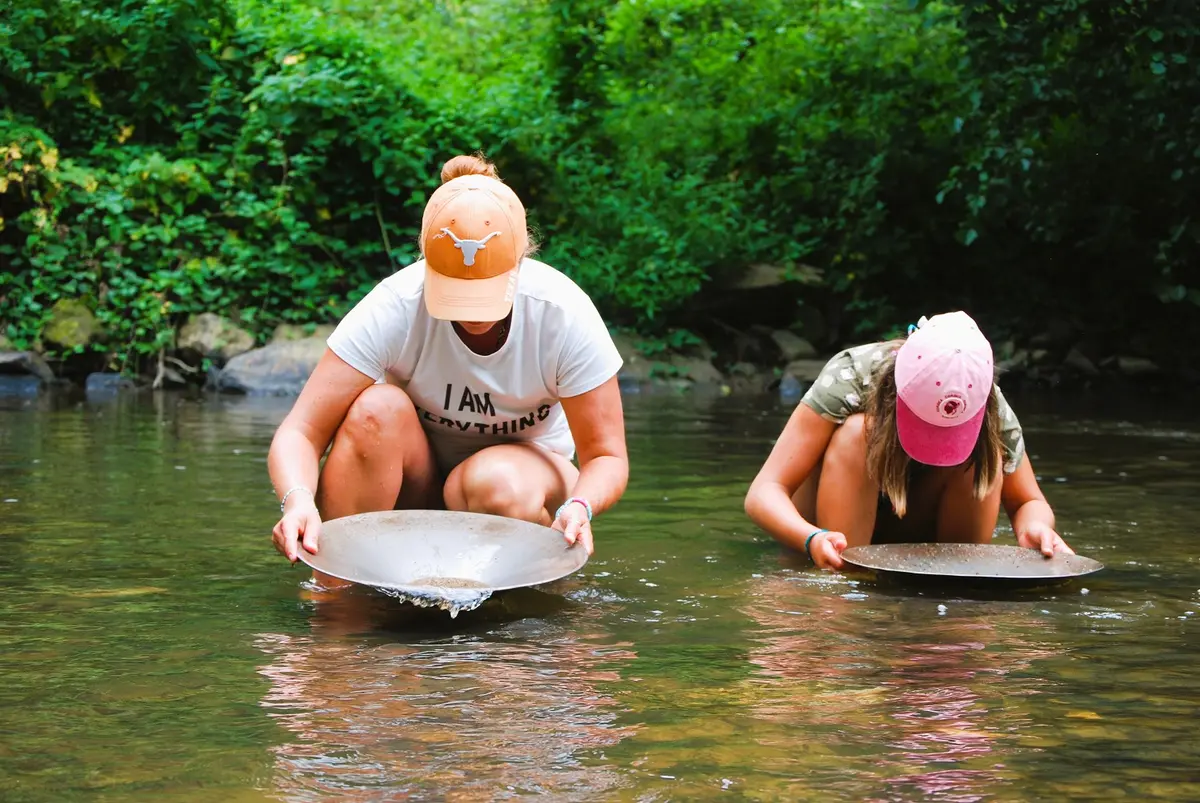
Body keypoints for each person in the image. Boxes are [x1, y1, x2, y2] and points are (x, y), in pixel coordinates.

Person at [267, 153, 628, 572]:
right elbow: (301, 431)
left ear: (520, 261)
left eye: (485, 290)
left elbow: (607, 457)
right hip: (416, 483)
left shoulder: (562, 314)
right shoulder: (395, 305)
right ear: (426, 261)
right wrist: (298, 501)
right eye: (455, 289)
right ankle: (338, 592)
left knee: (496, 483)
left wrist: (580, 505)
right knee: (376, 409)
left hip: (518, 483)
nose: (472, 313)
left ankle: (521, 593)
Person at [744, 310, 1074, 569]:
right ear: (895, 387)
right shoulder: (853, 376)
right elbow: (764, 491)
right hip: (832, 529)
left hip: (920, 529)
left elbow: (1028, 501)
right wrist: (812, 538)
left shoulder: (987, 404)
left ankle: (957, 581)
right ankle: (846, 575)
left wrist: (1034, 528)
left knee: (985, 456)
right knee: (857, 433)